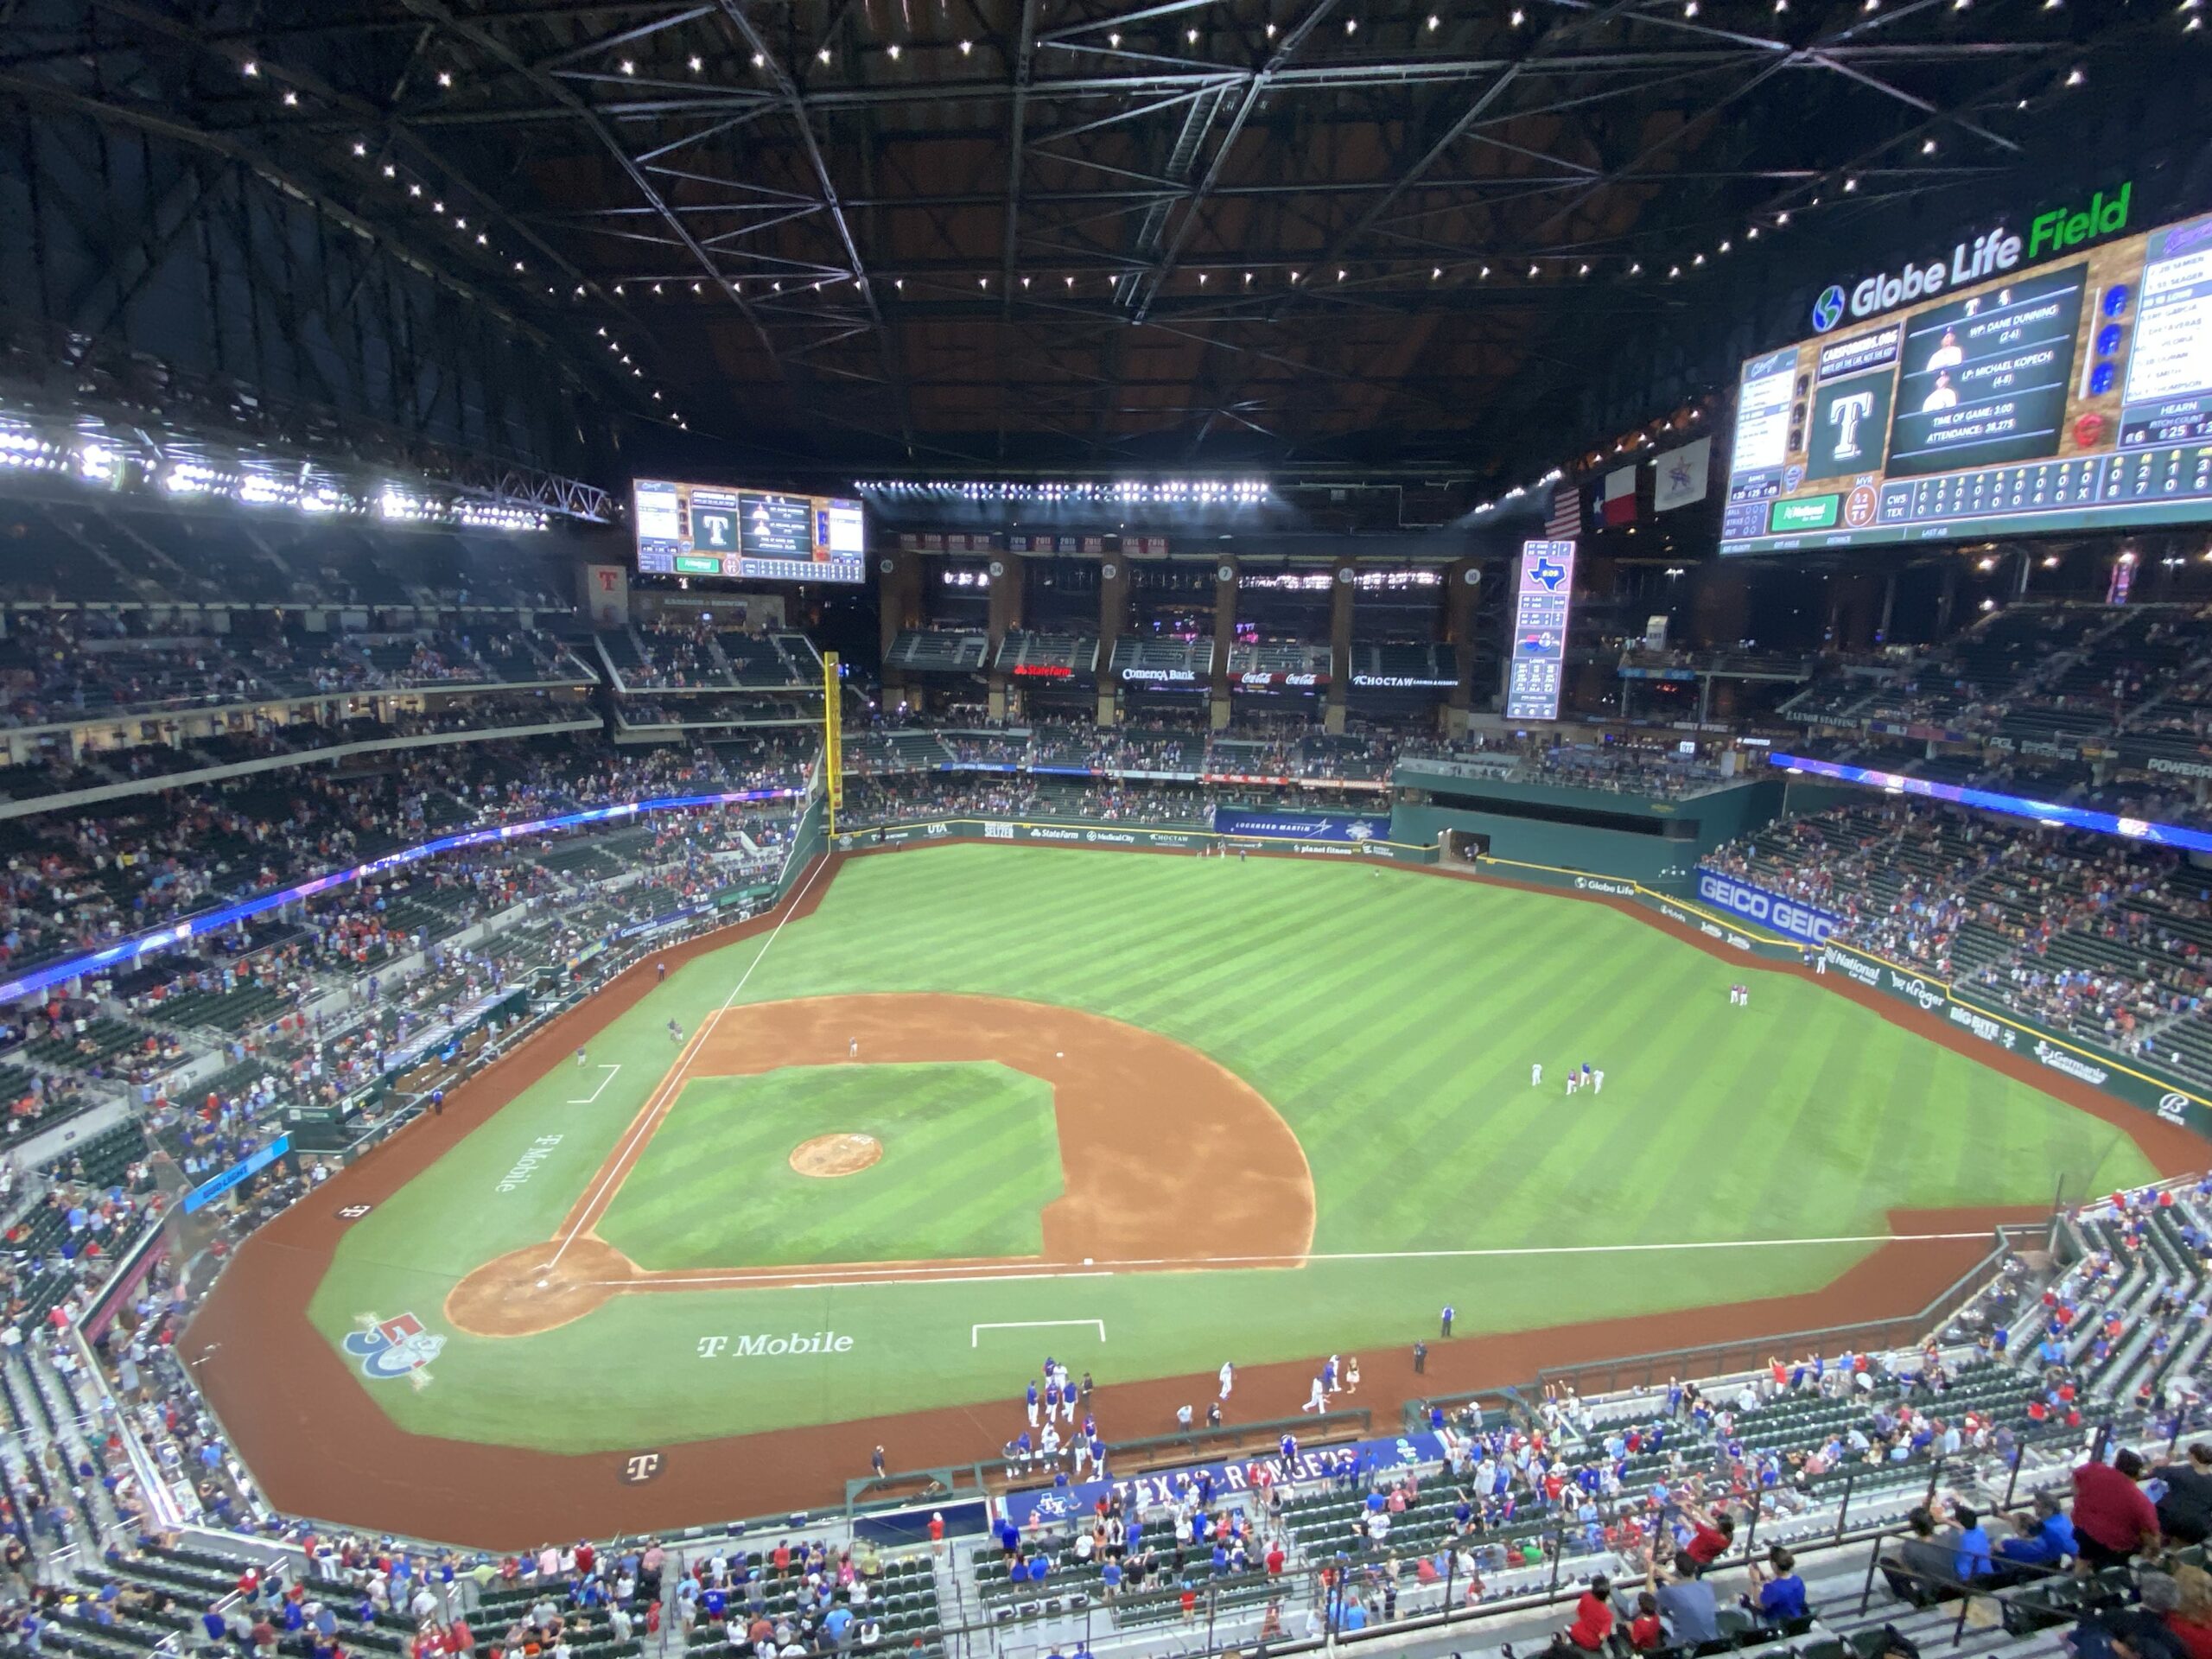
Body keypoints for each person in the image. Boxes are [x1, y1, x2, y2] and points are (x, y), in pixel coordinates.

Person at [2074, 1449, 2162, 1569]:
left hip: (2086, 1534)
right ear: (2139, 1473)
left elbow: (2077, 1477)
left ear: (2116, 1464)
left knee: (2085, 1555)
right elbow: (2152, 1536)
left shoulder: (2095, 1471)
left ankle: (2081, 1580)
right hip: (2116, 1548)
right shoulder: (2139, 1500)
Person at [1652, 1552, 1719, 1647]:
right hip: (1713, 1641)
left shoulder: (1669, 1592)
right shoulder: (1707, 1585)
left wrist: (1651, 1572)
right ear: (1695, 1568)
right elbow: (1682, 1584)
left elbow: (1649, 1601)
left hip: (1687, 1646)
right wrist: (1662, 1573)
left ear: (1677, 1572)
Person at [2157, 1444, 2212, 1544]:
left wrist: (2167, 1461)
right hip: (2198, 1529)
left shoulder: (2180, 1472)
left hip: (2171, 1522)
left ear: (2192, 1457)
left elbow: (2157, 1471)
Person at [1749, 1547, 1807, 1624]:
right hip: (1797, 1622)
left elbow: (1758, 1604)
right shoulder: (1798, 1581)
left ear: (1774, 1565)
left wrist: (1755, 1582)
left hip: (1779, 1626)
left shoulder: (1772, 1588)